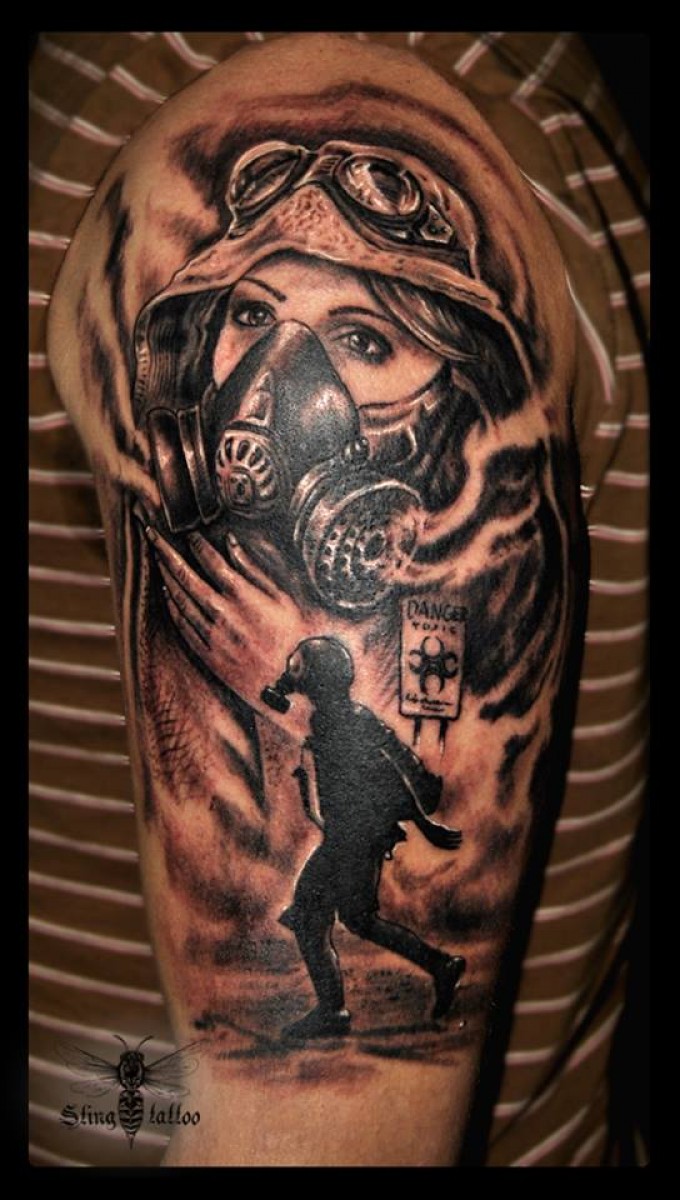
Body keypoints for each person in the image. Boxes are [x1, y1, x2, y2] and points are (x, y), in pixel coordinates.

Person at [33, 33, 648, 1167]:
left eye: (361, 337)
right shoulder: (528, 92)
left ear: (452, 395)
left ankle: (384, 984)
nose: (280, 385)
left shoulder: (248, 90)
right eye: (251, 316)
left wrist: (276, 682)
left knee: (331, 921)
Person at [261, 635, 465, 1039]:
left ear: (316, 679)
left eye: (299, 668)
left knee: (328, 917)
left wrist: (423, 824)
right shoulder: (335, 719)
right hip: (349, 834)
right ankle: (437, 966)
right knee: (339, 917)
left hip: (354, 838)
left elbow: (388, 774)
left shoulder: (344, 722)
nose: (291, 674)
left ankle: (335, 1011)